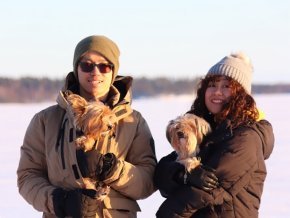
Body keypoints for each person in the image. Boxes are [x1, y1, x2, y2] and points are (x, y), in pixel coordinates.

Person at [17, 35, 157, 218]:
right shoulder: (46, 120)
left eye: (104, 66)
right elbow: (28, 176)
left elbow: (148, 181)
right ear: (77, 69)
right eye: (87, 65)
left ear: (113, 71)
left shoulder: (133, 122)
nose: (95, 72)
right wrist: (59, 201)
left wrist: (112, 169)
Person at [154, 52, 274, 217]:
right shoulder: (204, 129)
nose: (217, 92)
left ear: (241, 95)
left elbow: (204, 192)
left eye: (226, 86)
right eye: (212, 85)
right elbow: (161, 173)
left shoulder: (246, 137)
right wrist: (182, 175)